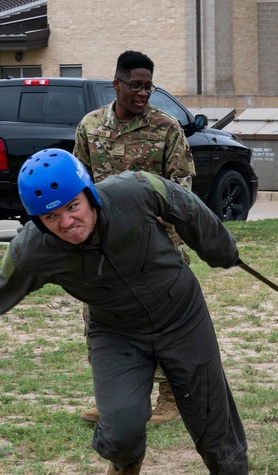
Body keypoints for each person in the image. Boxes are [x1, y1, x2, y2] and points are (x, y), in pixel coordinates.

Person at [0, 149, 253, 475]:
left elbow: (187, 207)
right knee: (121, 425)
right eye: (50, 217)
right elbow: (3, 283)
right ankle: (125, 462)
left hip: (181, 315)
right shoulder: (34, 247)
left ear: (88, 192)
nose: (67, 223)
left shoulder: (135, 190)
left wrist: (220, 249)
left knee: (211, 420)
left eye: (72, 207)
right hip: (116, 331)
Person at [73, 49, 196, 426]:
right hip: (104, 250)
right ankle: (115, 399)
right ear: (117, 84)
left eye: (148, 86)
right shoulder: (91, 127)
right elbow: (80, 184)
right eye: (136, 86)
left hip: (155, 249)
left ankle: (171, 398)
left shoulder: (167, 128)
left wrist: (159, 236)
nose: (143, 94)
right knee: (103, 322)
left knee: (163, 325)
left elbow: (182, 191)